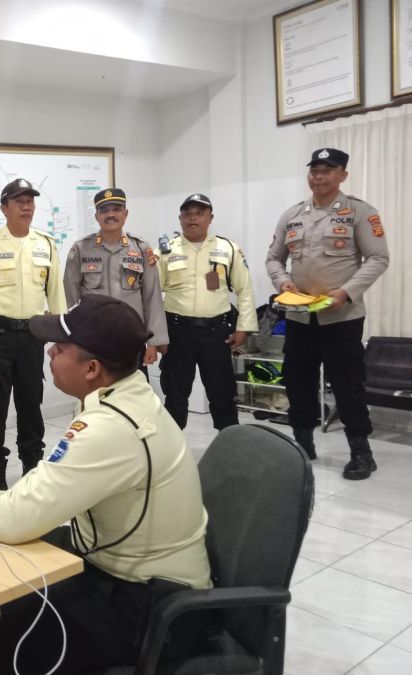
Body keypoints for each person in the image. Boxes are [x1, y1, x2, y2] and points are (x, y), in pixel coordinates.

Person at [0, 295, 211, 672]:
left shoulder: (110, 428)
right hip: (122, 569)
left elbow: (19, 515)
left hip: (151, 607)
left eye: (60, 348)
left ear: (92, 368)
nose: (48, 354)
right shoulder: (124, 395)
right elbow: (42, 494)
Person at [266, 148, 389, 479]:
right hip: (300, 317)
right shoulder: (293, 215)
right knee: (298, 382)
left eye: (327, 170)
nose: (318, 176)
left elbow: (378, 258)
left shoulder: (359, 212)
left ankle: (361, 451)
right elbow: (273, 258)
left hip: (342, 318)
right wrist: (283, 282)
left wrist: (346, 292)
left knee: (348, 384)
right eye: (314, 170)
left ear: (342, 175)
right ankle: (303, 444)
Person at [0, 178, 67, 489]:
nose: (26, 206)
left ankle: (31, 470)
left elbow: (56, 296)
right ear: (4, 208)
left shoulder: (45, 244)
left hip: (32, 337)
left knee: (31, 406)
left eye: (30, 201)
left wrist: (61, 339)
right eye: (18, 201)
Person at [157, 193, 258, 430]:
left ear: (210, 218)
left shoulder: (228, 248)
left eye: (199, 213)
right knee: (175, 394)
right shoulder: (165, 251)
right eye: (188, 214)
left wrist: (244, 328)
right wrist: (157, 335)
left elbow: (245, 290)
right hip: (176, 332)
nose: (193, 219)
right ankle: (171, 453)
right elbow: (151, 297)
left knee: (222, 393)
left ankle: (230, 447)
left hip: (216, 332)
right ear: (180, 218)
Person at [63, 187, 168, 366]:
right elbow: (72, 296)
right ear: (96, 216)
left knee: (133, 388)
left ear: (125, 213)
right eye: (104, 210)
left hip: (131, 336)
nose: (110, 214)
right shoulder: (81, 248)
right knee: (95, 389)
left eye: (116, 209)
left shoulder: (141, 248)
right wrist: (77, 334)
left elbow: (152, 297)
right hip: (94, 336)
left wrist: (153, 341)